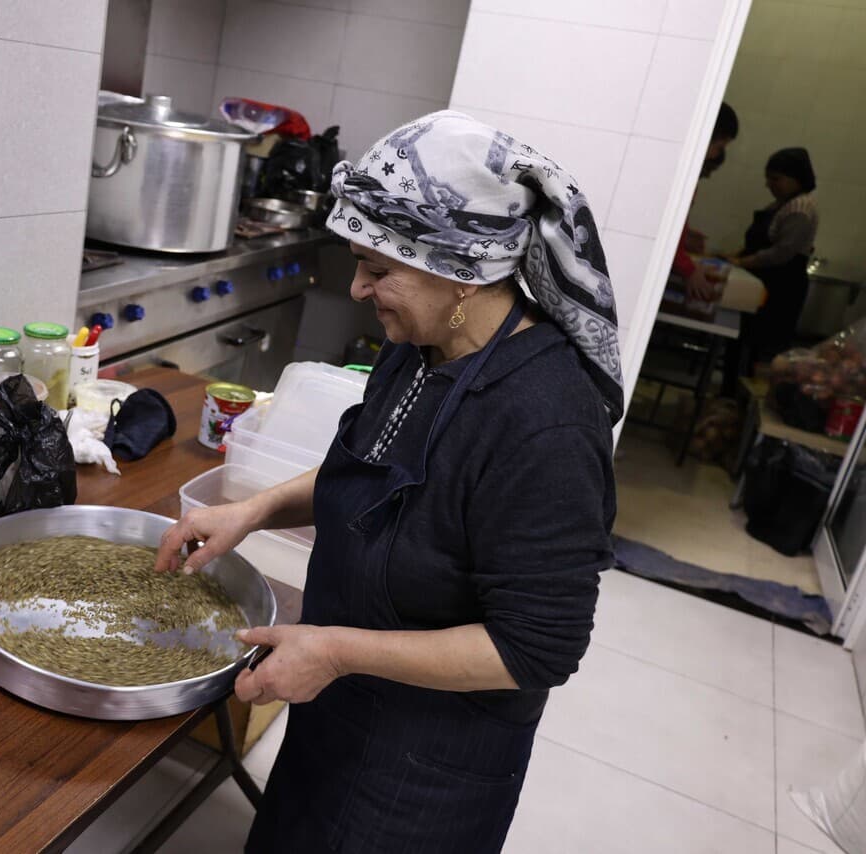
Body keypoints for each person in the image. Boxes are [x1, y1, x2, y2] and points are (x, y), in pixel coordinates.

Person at [156, 111, 620, 853]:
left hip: (429, 764)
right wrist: (254, 510)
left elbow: (538, 649)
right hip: (337, 703)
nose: (359, 287)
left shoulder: (547, 423)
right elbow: (366, 470)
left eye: (379, 269)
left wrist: (337, 651)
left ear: (461, 271)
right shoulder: (420, 345)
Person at [731, 147, 819, 363]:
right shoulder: (783, 204)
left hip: (782, 287)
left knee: (764, 349)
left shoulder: (800, 208)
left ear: (796, 179)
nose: (768, 184)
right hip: (766, 282)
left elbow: (782, 253)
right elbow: (758, 243)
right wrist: (733, 256)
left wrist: (741, 262)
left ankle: (742, 394)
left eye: (775, 179)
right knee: (746, 341)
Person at [675, 102, 739, 301]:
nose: (716, 155)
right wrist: (688, 269)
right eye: (719, 147)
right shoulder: (682, 175)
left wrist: (684, 235)